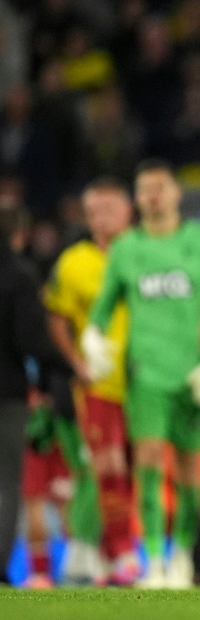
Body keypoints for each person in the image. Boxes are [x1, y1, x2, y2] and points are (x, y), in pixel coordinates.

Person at [86, 160, 200, 589]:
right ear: (137, 197)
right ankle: (152, 560)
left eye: (160, 187)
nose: (153, 196)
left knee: (189, 471)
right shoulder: (126, 248)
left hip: (191, 374)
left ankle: (182, 555)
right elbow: (104, 305)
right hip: (146, 374)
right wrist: (93, 338)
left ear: (176, 193)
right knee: (146, 464)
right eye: (144, 189)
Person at [44, 177, 139, 585]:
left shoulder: (145, 253)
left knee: (138, 467)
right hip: (97, 383)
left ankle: (114, 550)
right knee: (107, 465)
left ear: (128, 212)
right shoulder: (73, 262)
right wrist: (77, 363)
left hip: (145, 380)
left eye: (109, 209)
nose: (101, 218)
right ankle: (118, 553)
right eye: (93, 211)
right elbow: (55, 319)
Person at [0, 203, 74, 586]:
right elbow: (29, 339)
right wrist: (66, 369)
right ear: (19, 235)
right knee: (9, 483)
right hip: (9, 394)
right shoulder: (18, 275)